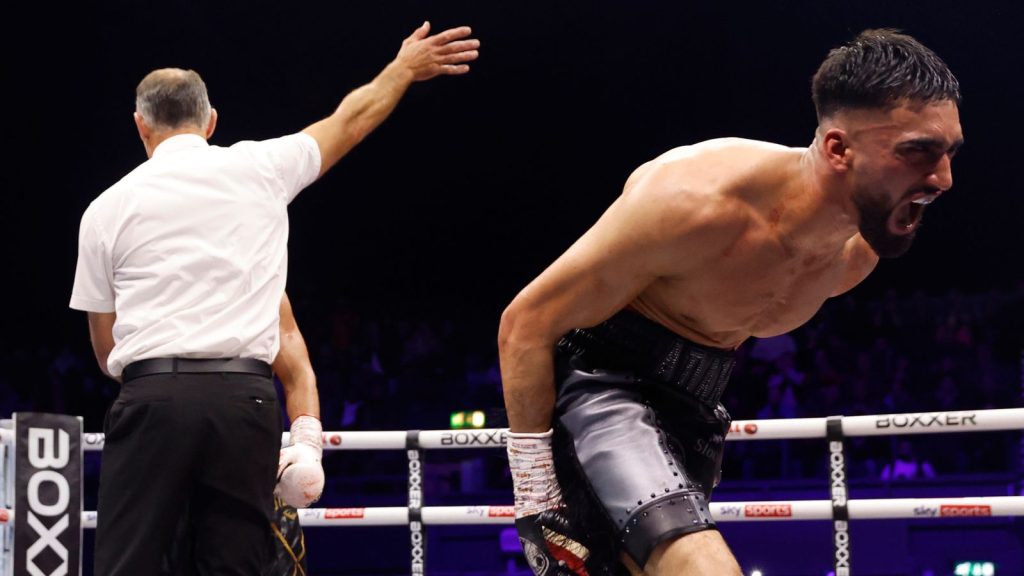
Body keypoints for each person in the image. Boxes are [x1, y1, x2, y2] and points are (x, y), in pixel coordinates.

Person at [498, 28, 961, 576]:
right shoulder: (696, 202)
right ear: (838, 148)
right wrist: (534, 495)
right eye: (917, 153)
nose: (943, 179)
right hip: (601, 389)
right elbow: (524, 323)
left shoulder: (854, 255)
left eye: (949, 152)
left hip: (694, 413)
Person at [69, 21, 479, 575]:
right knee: (238, 567)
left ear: (140, 126)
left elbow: (103, 347)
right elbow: (350, 121)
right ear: (211, 122)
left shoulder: (105, 209)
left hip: (152, 398)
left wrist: (164, 388)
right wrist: (402, 68)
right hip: (246, 400)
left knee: (128, 565)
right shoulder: (259, 168)